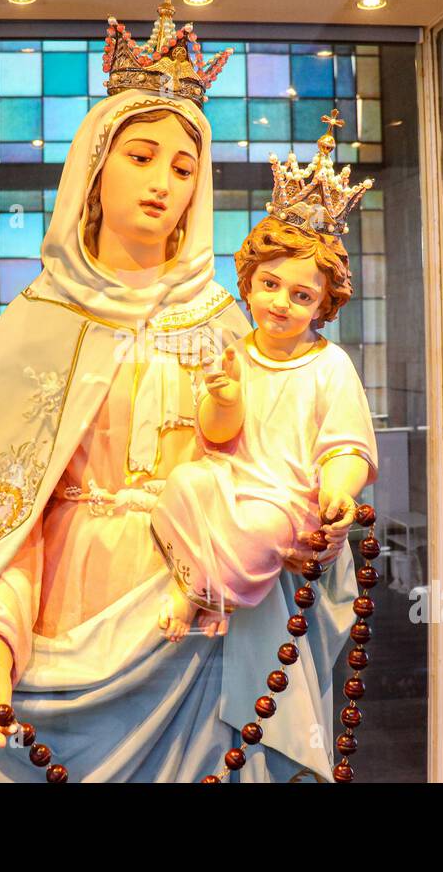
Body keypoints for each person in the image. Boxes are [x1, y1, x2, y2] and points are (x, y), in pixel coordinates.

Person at [0, 0, 357, 781]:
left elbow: (284, 471)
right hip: (62, 621)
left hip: (203, 626)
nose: (163, 183)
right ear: (95, 167)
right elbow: (1, 520)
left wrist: (322, 529)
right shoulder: (35, 325)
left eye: (183, 167)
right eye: (140, 157)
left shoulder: (229, 322)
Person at [151, 208, 378, 641]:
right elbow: (216, 437)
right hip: (235, 477)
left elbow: (347, 447)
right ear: (249, 284)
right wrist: (225, 400)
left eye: (301, 296)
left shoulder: (330, 365)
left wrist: (338, 488)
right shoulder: (236, 354)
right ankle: (200, 582)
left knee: (262, 527)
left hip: (290, 496)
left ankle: (212, 595)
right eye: (269, 285)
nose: (279, 303)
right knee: (186, 481)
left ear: (322, 305)